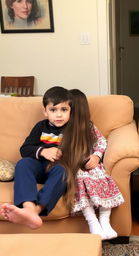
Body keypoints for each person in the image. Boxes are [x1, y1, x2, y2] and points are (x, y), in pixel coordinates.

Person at [57, 89, 124, 240]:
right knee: (80, 180)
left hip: (89, 163)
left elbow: (102, 141)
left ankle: (104, 220)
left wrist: (96, 156)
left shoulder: (88, 126)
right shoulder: (60, 128)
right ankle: (92, 221)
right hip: (72, 167)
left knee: (101, 177)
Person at [0, 86, 71, 229]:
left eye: (64, 110)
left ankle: (35, 212)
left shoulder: (73, 128)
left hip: (58, 169)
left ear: (70, 111)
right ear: (45, 111)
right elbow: (25, 149)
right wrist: (43, 152)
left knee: (64, 172)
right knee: (23, 163)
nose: (58, 115)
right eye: (53, 110)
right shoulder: (41, 127)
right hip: (39, 166)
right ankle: (28, 208)